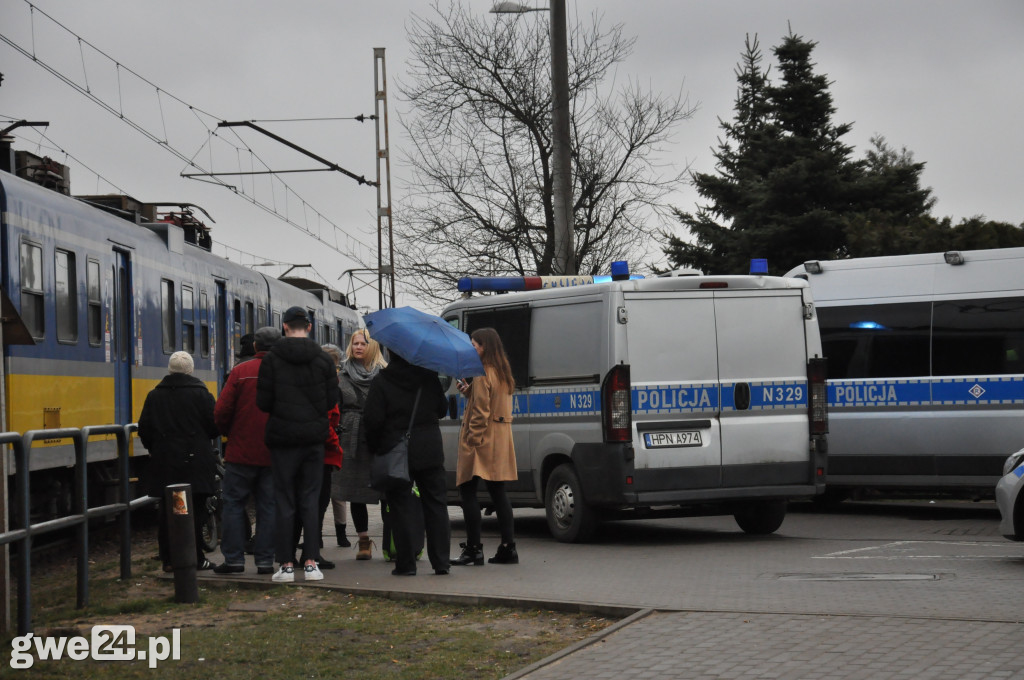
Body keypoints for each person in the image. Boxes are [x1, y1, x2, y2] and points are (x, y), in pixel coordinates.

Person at [257, 306, 340, 583]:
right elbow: (331, 401)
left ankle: (286, 564)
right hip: (313, 441)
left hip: (282, 440)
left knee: (284, 499)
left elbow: (263, 402)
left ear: (284, 327)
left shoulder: (271, 360)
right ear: (309, 327)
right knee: (310, 499)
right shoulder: (323, 360)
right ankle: (311, 563)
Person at [363, 352, 450, 576]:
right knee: (436, 504)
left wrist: (376, 448)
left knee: (401, 507)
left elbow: (372, 420)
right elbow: (442, 410)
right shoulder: (429, 376)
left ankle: (406, 563)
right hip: (430, 449)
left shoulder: (381, 381)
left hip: (395, 449)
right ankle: (441, 562)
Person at [138, 351, 219, 572]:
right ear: (190, 370)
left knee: (168, 512)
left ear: (170, 369)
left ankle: (169, 559)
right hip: (196, 463)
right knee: (196, 512)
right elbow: (214, 426)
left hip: (166, 463)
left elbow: (144, 428)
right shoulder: (202, 394)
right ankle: (195, 557)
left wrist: (155, 449)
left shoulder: (154, 395)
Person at [211, 326, 280, 576]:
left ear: (254, 347)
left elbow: (221, 411)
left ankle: (234, 559)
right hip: (274, 452)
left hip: (240, 452)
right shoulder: (284, 372)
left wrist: (230, 433)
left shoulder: (240, 371)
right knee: (269, 506)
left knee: (233, 504)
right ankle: (264, 561)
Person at [452, 328, 519, 566]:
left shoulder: (482, 374)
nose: (471, 349)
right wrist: (469, 391)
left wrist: (471, 439)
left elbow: (481, 412)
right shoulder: (502, 372)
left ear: (484, 347)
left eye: (474, 345)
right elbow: (491, 400)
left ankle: (473, 549)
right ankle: (508, 547)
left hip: (482, 439)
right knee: (498, 493)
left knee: (467, 492)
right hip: (500, 438)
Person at [331, 329, 387, 560]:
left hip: (378, 437)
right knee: (354, 491)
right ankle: (364, 542)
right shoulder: (342, 375)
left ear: (372, 346)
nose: (358, 347)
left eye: (363, 343)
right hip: (351, 436)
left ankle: (391, 541)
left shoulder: (383, 375)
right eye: (355, 343)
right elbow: (336, 406)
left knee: (385, 491)